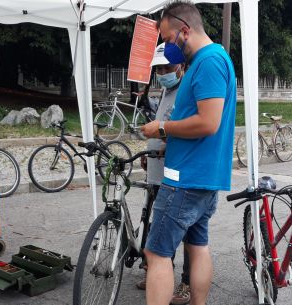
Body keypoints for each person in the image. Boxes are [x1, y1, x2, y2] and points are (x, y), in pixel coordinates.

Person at [140, 1, 237, 305]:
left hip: (185, 179)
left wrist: (162, 129)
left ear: (185, 30)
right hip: (203, 177)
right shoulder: (213, 59)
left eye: (168, 39)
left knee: (156, 254)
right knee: (198, 246)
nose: (168, 47)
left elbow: (208, 122)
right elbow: (202, 122)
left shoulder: (208, 62)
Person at [135, 42, 191, 305]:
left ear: (180, 66)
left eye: (167, 67)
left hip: (176, 173)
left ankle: (186, 283)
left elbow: (183, 129)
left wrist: (164, 148)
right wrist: (150, 154)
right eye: (158, 69)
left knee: (184, 231)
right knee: (156, 226)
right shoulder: (167, 90)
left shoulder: (185, 91)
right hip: (157, 170)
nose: (162, 72)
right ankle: (158, 272)